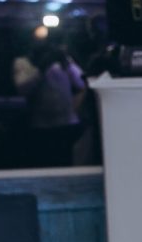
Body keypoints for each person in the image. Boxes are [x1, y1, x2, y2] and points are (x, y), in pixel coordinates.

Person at [12, 38, 86, 167]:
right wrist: (42, 67)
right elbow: (23, 88)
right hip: (42, 126)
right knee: (46, 164)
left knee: (67, 164)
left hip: (67, 124)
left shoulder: (62, 63)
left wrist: (67, 63)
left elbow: (81, 82)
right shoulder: (24, 63)